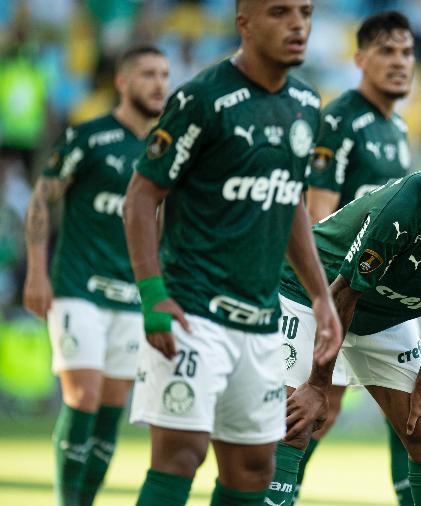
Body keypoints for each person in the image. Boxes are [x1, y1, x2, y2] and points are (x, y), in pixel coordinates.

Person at [122, 2, 341, 505]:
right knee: (181, 454)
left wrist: (320, 296)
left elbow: (291, 207)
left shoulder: (307, 104)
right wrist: (152, 293)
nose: (298, 24)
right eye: (280, 12)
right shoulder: (203, 98)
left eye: (305, 12)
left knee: (253, 468)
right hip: (192, 310)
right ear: (244, 23)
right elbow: (140, 196)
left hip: (260, 320)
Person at [275, 112, 421, 506]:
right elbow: (343, 296)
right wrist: (319, 385)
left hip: (384, 313)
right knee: (294, 422)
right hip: (311, 296)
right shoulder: (401, 210)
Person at [22, 45, 168, 506]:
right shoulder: (88, 137)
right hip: (77, 287)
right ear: (122, 82)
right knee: (83, 395)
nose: (160, 83)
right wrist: (36, 272)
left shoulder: (165, 152)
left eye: (165, 74)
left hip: (131, 295)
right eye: (147, 74)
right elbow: (43, 198)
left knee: (110, 409)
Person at [284, 11, 417, 504]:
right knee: (314, 407)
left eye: (406, 53)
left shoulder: (396, 126)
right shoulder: (340, 119)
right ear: (359, 58)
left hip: (377, 289)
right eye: (386, 51)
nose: (399, 62)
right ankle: (273, 491)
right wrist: (325, 297)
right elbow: (319, 214)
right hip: (340, 286)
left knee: (406, 406)